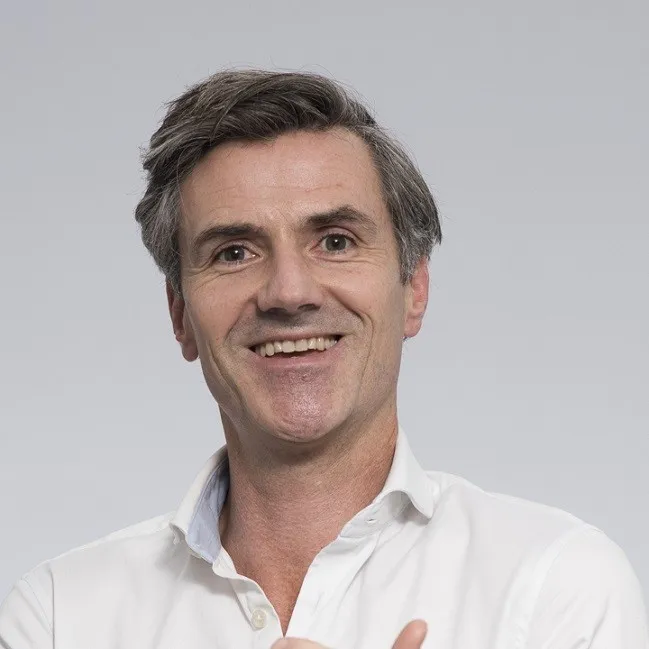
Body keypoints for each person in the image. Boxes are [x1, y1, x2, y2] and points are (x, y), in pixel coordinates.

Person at [0, 69, 647, 649]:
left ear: (414, 288)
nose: (289, 292)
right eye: (233, 252)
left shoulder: (557, 589)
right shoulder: (59, 617)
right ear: (180, 314)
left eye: (335, 241)